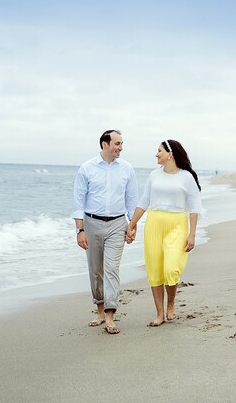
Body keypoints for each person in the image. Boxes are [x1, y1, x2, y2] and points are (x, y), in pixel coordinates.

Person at [126, 139, 202, 327]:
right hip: (154, 224)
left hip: (177, 224)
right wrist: (132, 224)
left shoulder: (186, 177)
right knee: (154, 269)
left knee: (171, 268)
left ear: (170, 154)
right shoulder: (154, 176)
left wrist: (192, 234)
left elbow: (194, 207)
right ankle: (159, 313)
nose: (156, 154)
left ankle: (171, 304)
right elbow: (144, 201)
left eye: (159, 151)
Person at [73, 130, 138, 335]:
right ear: (105, 144)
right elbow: (78, 202)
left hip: (118, 224)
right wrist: (80, 230)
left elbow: (131, 200)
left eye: (121, 144)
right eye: (117, 143)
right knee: (95, 270)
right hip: (91, 223)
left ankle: (110, 314)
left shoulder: (127, 169)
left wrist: (132, 225)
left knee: (111, 268)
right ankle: (100, 310)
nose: (120, 147)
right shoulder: (87, 168)